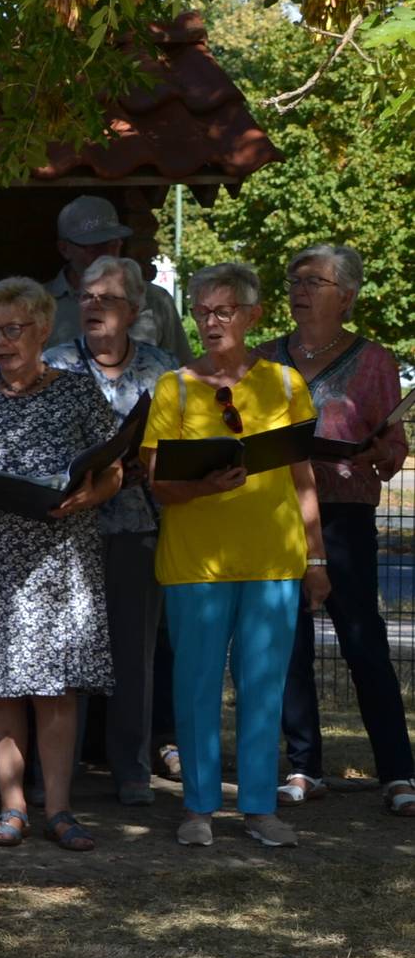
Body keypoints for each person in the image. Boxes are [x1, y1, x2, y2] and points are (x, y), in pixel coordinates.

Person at [143, 263, 329, 848]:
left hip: (273, 559)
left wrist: (317, 560)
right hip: (195, 563)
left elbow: (303, 476)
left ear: (253, 315)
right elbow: (157, 482)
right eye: (201, 311)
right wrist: (203, 485)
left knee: (264, 688)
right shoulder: (173, 387)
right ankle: (198, 808)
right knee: (195, 687)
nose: (211, 321)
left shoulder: (285, 384)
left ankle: (259, 809)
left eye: (223, 311)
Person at [0, 278, 123, 852]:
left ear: (42, 330)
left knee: (56, 688)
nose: (1, 341)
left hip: (57, 563)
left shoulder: (77, 393)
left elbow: (115, 468)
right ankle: (11, 808)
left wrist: (90, 495)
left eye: (13, 329)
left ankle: (59, 809)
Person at [260, 245, 414, 815]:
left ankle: (398, 773)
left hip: (345, 516)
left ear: (346, 296)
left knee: (363, 641)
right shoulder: (264, 359)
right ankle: (304, 767)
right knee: (289, 643)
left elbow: (394, 448)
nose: (299, 290)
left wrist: (379, 453)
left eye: (313, 281)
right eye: (294, 279)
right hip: (277, 513)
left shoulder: (374, 361)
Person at [44, 256, 179, 805]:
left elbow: (181, 441)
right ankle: (58, 773)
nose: (94, 306)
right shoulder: (54, 364)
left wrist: (152, 463)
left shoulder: (163, 368)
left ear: (135, 308)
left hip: (136, 525)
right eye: (87, 296)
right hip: (66, 531)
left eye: (108, 298)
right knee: (64, 652)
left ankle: (132, 771)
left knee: (133, 653)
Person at [43, 196, 187, 353]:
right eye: (95, 247)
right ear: (64, 249)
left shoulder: (155, 300)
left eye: (113, 244)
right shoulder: (38, 305)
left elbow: (179, 364)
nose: (106, 254)